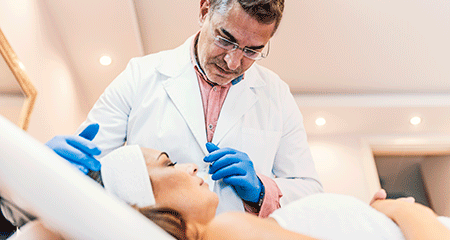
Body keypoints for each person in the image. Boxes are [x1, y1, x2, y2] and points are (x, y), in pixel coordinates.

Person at [45, 0, 323, 217]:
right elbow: (94, 166)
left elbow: (310, 192)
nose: (233, 62)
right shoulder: (140, 74)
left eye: (252, 50)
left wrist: (262, 189)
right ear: (204, 12)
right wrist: (54, 168)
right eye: (226, 39)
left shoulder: (276, 94)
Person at [101, 145, 450, 240]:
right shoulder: (226, 230)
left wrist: (368, 218)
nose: (190, 166)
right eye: (167, 162)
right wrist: (408, 212)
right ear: (142, 203)